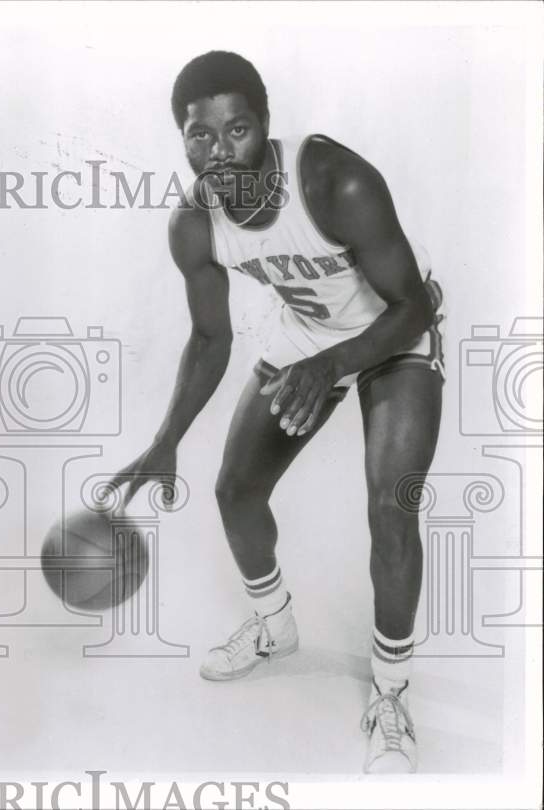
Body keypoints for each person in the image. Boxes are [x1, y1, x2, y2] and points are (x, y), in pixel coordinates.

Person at [111, 51, 444, 773]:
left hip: (390, 333)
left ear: (265, 127)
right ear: (183, 139)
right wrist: (166, 439)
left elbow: (415, 303)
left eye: (236, 131)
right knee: (234, 489)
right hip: (305, 339)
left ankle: (391, 693)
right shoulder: (193, 227)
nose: (218, 151)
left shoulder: (333, 181)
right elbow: (209, 336)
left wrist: (333, 365)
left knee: (392, 505)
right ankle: (275, 628)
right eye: (200, 136)